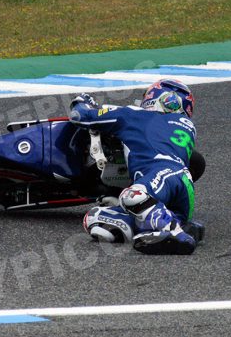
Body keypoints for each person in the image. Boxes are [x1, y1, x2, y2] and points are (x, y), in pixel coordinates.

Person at [69, 79, 200, 255]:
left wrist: (81, 102)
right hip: (184, 183)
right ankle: (174, 225)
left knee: (131, 196)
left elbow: (80, 116)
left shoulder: (134, 115)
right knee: (94, 218)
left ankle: (176, 233)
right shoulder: (188, 126)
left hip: (160, 173)